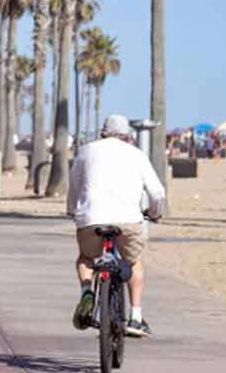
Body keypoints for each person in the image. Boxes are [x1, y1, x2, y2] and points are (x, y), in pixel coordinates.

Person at [67, 115, 166, 339]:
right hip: (127, 219)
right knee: (133, 262)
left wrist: (73, 210)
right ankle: (136, 317)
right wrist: (155, 212)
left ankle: (87, 292)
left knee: (86, 258)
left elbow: (74, 186)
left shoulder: (86, 151)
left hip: (91, 217)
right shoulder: (136, 154)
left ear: (103, 133)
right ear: (128, 137)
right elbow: (157, 192)